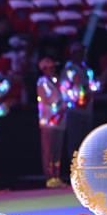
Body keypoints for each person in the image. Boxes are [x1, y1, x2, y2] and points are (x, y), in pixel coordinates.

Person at [37, 57, 67, 187]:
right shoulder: (42, 82)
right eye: (51, 67)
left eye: (54, 67)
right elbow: (52, 99)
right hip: (49, 122)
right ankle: (49, 177)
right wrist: (62, 101)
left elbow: (67, 96)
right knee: (49, 150)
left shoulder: (56, 81)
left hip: (59, 121)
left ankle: (56, 175)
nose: (54, 69)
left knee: (57, 150)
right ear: (44, 69)